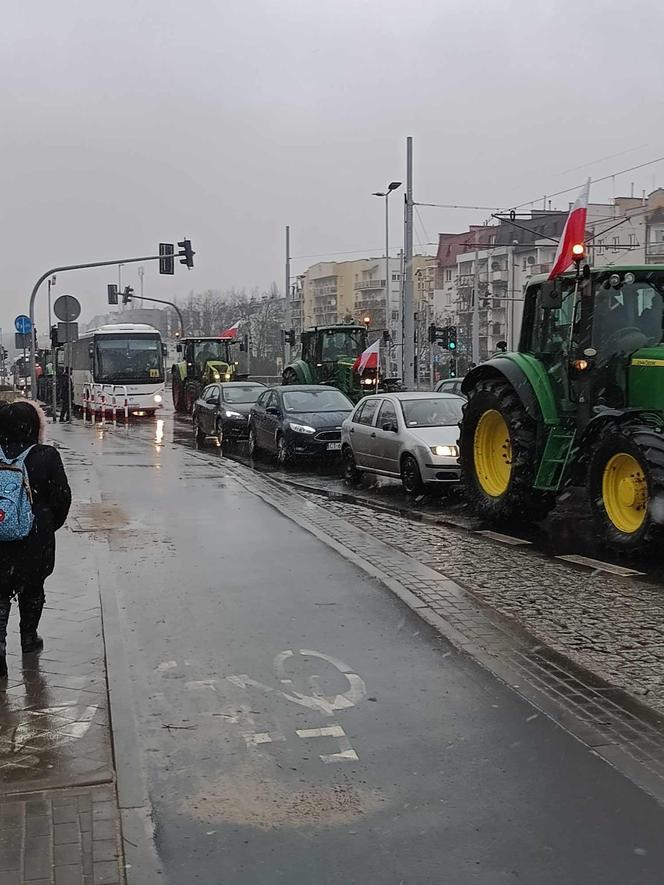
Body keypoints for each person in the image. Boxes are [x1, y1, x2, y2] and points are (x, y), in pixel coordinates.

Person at [0, 401, 71, 679]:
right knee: (33, 587)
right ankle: (28, 638)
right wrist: (47, 524)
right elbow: (62, 497)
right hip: (35, 537)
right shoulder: (46, 455)